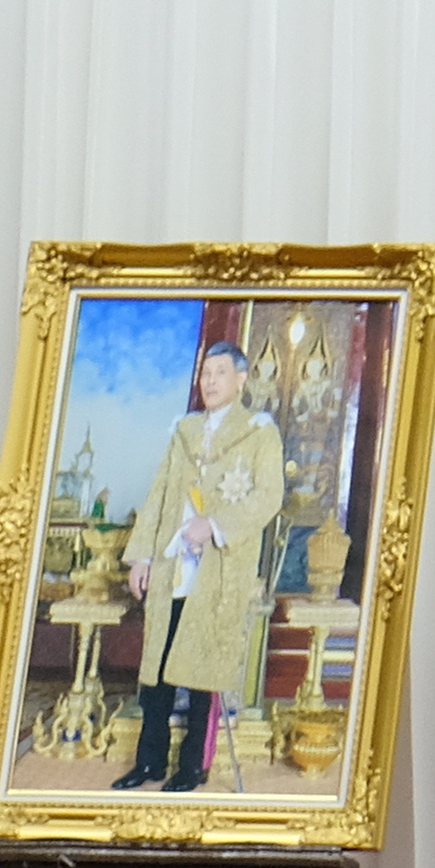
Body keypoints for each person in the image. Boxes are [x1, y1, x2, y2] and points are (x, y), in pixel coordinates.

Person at [120, 339, 288, 794]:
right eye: (205, 373)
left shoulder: (258, 432)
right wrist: (141, 556)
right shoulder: (184, 431)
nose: (209, 382)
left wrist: (213, 524)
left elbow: (268, 498)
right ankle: (149, 762)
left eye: (219, 373)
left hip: (217, 569)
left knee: (202, 673)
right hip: (172, 565)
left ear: (240, 378)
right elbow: (158, 496)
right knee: (156, 668)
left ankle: (193, 766)